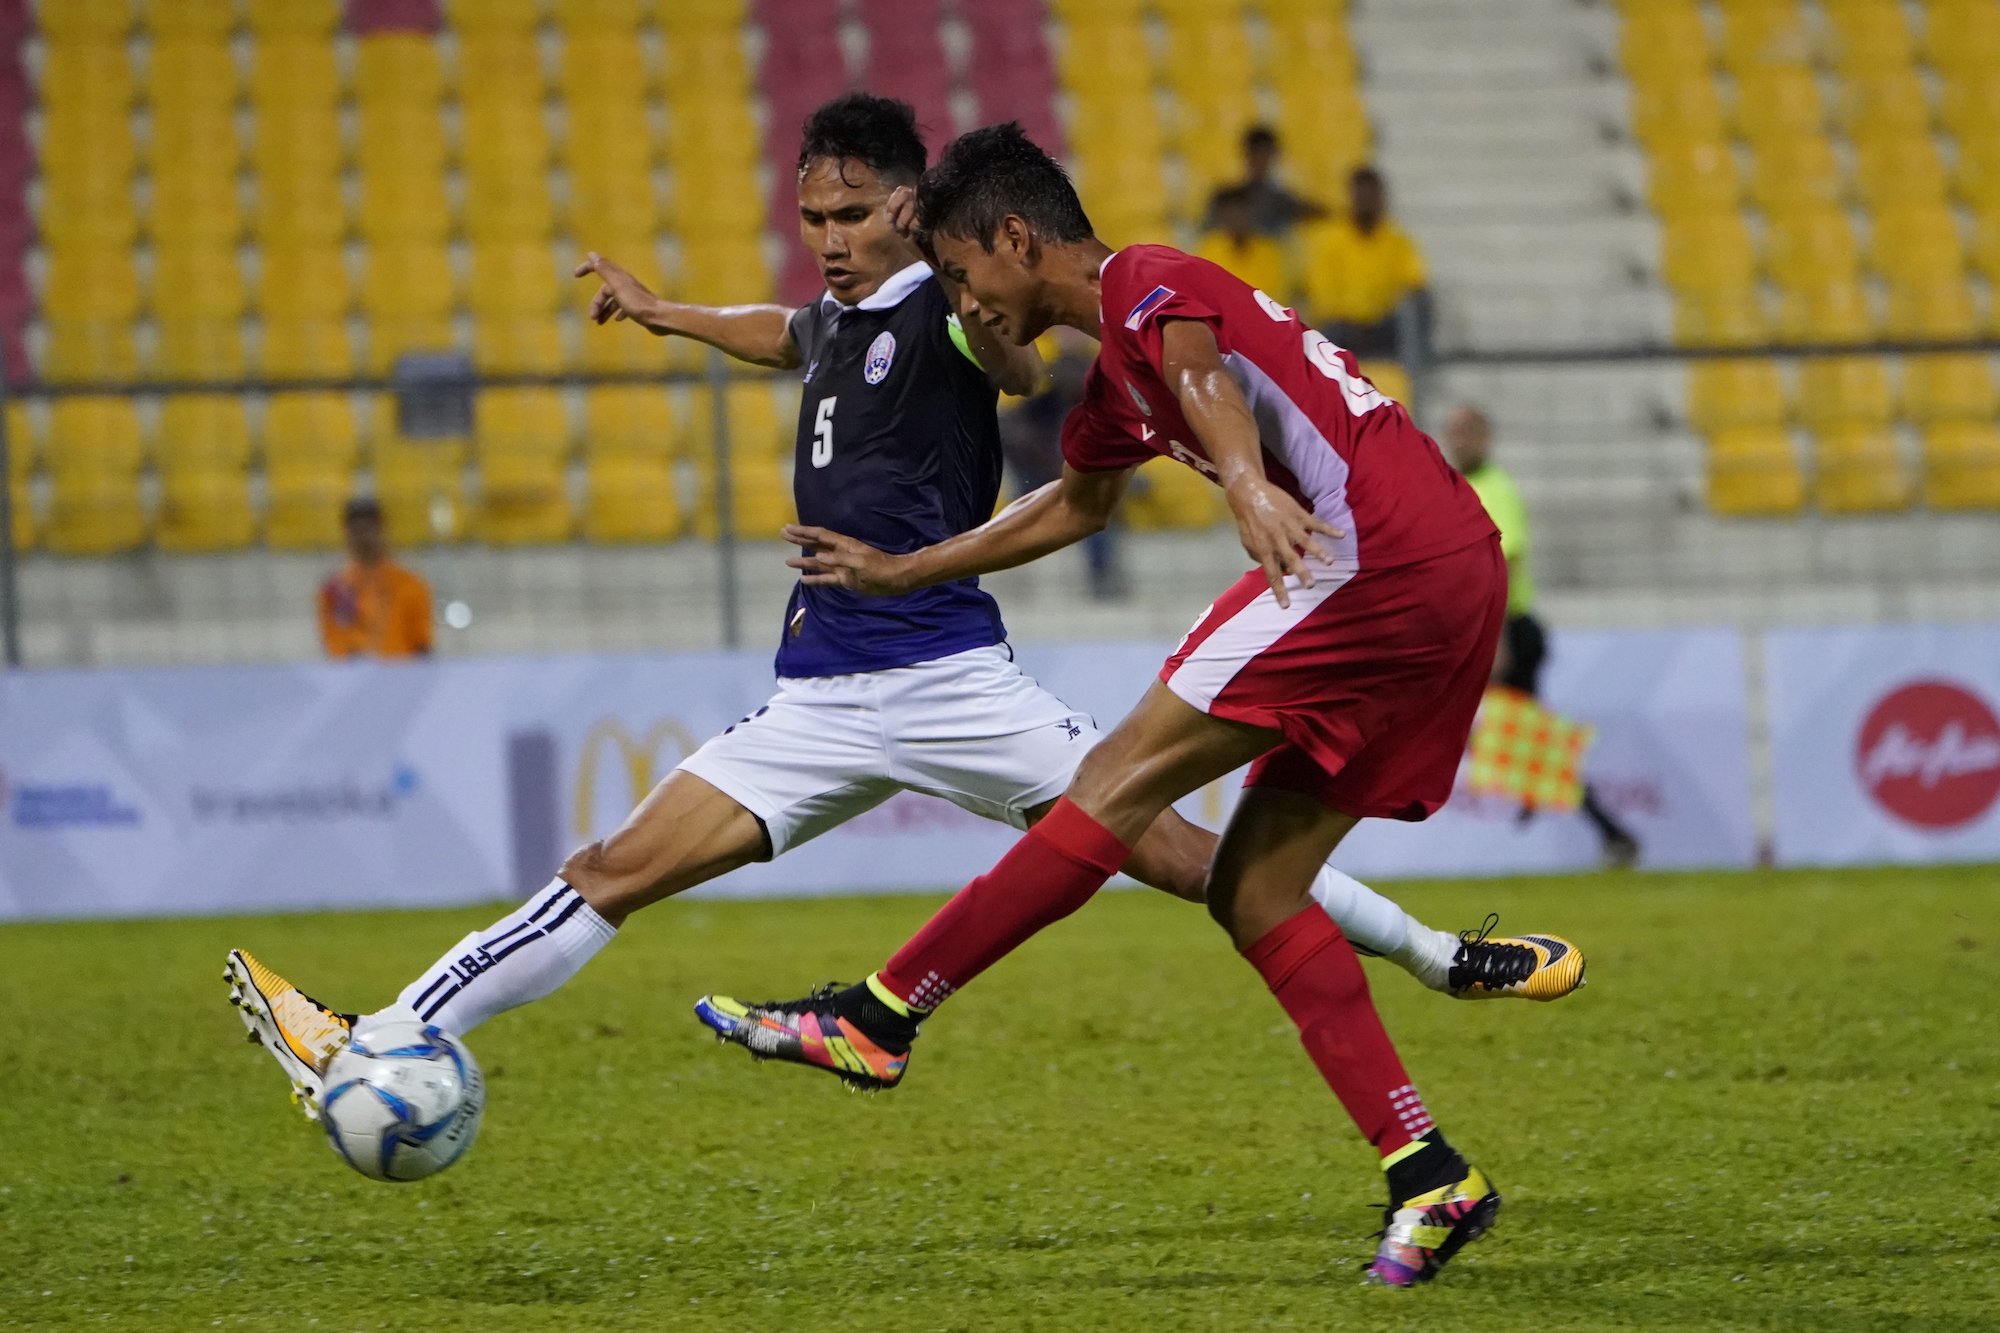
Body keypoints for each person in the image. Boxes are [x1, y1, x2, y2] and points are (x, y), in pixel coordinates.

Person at [224, 96, 1564, 1130]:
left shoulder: (959, 302)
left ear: (919, 215)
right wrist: (665, 312)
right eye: (815, 220)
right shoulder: (840, 310)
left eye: (854, 218)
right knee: (607, 874)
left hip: (951, 683)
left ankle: (1443, 955)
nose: (830, 243)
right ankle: (372, 1034)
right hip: (817, 695)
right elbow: (784, 329)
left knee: (1203, 864)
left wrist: (1008, 338)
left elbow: (1026, 348)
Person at [696, 124, 1585, 1287]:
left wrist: (1250, 485)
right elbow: (1075, 504)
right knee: (1255, 891)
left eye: (962, 275)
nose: (962, 306)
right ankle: (1428, 1174)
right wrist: (912, 567)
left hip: (1363, 557)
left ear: (1016, 239)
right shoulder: (1112, 379)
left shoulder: (1146, 283)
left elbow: (1202, 372)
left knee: (1108, 785)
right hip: (1445, 570)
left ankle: (884, 1009)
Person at [1440, 406, 1642, 868]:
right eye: (1453, 432)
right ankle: (1572, 819)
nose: (1459, 440)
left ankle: (1601, 830)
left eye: (1468, 432)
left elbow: (1503, 564)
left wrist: (1497, 641)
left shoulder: (1496, 488)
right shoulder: (1462, 486)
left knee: (1525, 742)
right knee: (1523, 742)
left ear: (1487, 437)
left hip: (1508, 630)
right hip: (1487, 628)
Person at [1302, 165, 1429, 360]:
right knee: (1325, 333)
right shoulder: (1330, 240)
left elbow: (1415, 282)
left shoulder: (1397, 241)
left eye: (1372, 195)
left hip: (1382, 324)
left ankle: (1416, 372)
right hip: (1342, 326)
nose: (1367, 201)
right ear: (1351, 197)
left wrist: (1378, 313)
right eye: (1362, 195)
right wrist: (1352, 320)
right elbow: (1322, 296)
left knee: (1416, 309)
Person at [316, 497, 434, 659]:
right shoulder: (335, 589)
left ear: (382, 529)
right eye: (356, 530)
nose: (363, 536)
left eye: (368, 528)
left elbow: (422, 643)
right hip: (355, 677)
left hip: (401, 675)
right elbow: (335, 642)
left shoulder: (410, 584)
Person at [1205, 124, 1325, 238]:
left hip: (1268, 257)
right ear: (1246, 155)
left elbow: (1315, 212)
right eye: (1256, 155)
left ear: (1274, 156)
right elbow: (1208, 236)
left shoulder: (1281, 200)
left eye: (1265, 155)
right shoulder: (1225, 199)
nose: (1261, 161)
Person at [1194, 186, 1291, 301]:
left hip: (1261, 315)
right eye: (1231, 214)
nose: (1236, 219)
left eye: (1241, 213)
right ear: (1221, 217)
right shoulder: (1208, 249)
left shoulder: (1269, 250)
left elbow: (1277, 294)